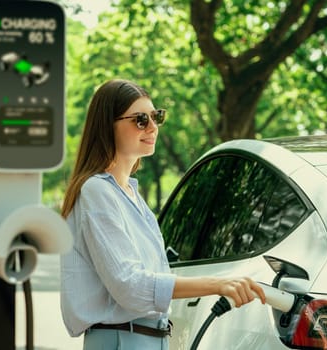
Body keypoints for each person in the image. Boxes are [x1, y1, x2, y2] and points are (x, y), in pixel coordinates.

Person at [60, 79, 266, 349]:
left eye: (156, 117)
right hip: (122, 339)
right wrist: (217, 284)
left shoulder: (131, 195)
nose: (153, 127)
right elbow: (130, 286)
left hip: (149, 338)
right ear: (107, 125)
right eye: (140, 120)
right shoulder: (96, 191)